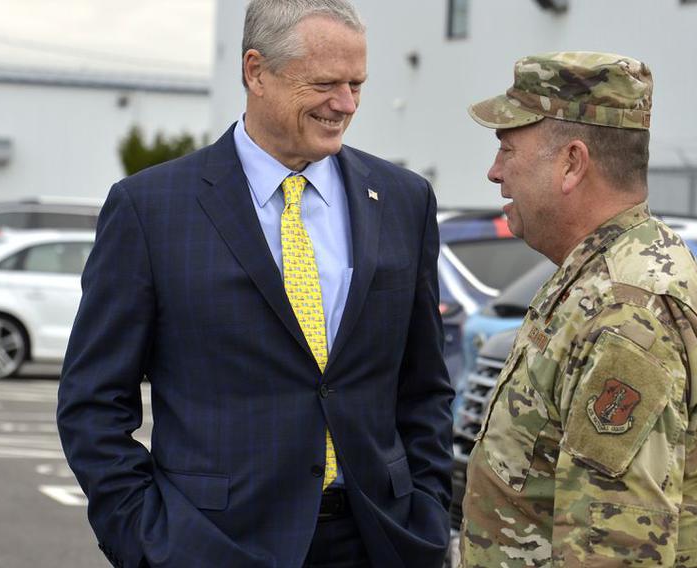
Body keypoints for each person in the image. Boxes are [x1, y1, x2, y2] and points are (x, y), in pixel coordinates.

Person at [57, 1, 453, 567]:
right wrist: (145, 539)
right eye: (324, 83)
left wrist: (427, 512)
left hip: (379, 541)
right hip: (211, 545)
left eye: (356, 84)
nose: (345, 104)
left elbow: (424, 386)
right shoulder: (150, 209)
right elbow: (92, 402)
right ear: (255, 71)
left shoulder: (403, 200)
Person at [459, 51, 697, 567]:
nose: (495, 172)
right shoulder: (602, 271)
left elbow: (615, 551)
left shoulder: (627, 311)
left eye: (509, 149)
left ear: (572, 163)